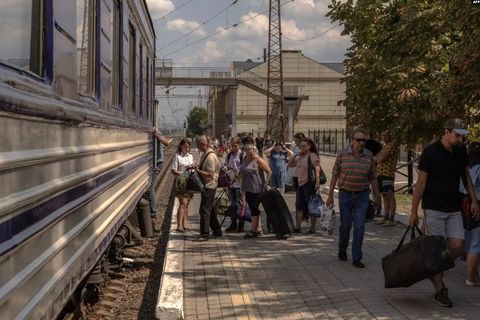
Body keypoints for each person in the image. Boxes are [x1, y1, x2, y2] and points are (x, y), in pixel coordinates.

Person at [409, 118, 480, 307]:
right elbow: (421, 183)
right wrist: (413, 211)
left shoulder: (460, 151)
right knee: (436, 249)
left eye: (462, 136)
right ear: (446, 132)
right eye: (457, 135)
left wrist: (474, 201)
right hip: (433, 207)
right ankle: (440, 289)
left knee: (458, 245)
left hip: (454, 207)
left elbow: (466, 177)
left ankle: (434, 266)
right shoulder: (430, 152)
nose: (460, 139)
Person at [326, 128, 381, 268]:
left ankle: (357, 257)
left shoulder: (368, 156)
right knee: (345, 225)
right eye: (358, 140)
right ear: (352, 140)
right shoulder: (342, 154)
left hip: (362, 196)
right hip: (345, 195)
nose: (361, 143)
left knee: (360, 226)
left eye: (364, 140)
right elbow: (334, 175)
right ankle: (342, 249)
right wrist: (330, 195)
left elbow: (373, 177)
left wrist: (377, 196)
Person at [289, 138, 321, 234]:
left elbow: (317, 169)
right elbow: (290, 165)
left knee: (311, 205)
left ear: (309, 146)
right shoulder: (300, 157)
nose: (301, 148)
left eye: (304, 146)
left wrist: (317, 183)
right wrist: (294, 155)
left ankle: (312, 227)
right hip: (300, 183)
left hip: (309, 184)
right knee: (299, 204)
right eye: (300, 146)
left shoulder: (312, 155)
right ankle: (298, 226)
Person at [240, 143, 272, 239]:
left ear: (254, 150)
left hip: (257, 188)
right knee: (252, 208)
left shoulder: (258, 160)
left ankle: (253, 230)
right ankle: (257, 229)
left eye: (250, 149)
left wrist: (266, 183)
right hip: (248, 188)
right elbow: (242, 171)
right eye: (246, 149)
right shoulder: (245, 159)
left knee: (254, 209)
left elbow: (269, 171)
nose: (248, 151)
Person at [459, 142, 480, 286]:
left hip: (464, 202)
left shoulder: (466, 168)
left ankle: (473, 273)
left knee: (469, 237)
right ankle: (470, 277)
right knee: (477, 242)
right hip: (477, 203)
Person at [195, 135, 222, 241]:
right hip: (208, 185)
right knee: (209, 209)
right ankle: (217, 230)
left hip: (209, 186)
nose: (197, 146)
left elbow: (210, 174)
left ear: (203, 144)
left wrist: (198, 171)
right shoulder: (206, 154)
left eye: (197, 144)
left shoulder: (210, 157)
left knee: (204, 210)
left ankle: (204, 234)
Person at [374, 130, 399, 227]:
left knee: (390, 195)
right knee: (384, 195)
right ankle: (386, 217)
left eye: (385, 135)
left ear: (390, 135)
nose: (383, 137)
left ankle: (391, 219)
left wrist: (378, 158)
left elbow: (380, 158)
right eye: (382, 135)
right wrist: (377, 158)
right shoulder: (385, 146)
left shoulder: (391, 145)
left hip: (387, 174)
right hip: (381, 174)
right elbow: (377, 157)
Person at [171, 138, 194, 232]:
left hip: (190, 182)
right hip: (181, 183)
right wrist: (183, 173)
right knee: (182, 204)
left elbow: (193, 168)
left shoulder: (190, 156)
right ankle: (179, 225)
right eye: (185, 147)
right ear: (181, 146)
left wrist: (193, 167)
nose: (187, 149)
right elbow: (173, 170)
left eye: (188, 147)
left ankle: (185, 224)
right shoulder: (177, 157)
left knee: (187, 204)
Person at [224, 136, 245, 232]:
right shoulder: (228, 156)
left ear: (239, 145)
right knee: (232, 204)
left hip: (239, 184)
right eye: (232, 146)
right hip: (230, 184)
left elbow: (244, 168)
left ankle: (241, 224)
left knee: (240, 204)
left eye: (235, 146)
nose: (234, 148)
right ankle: (233, 223)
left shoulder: (242, 155)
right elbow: (226, 165)